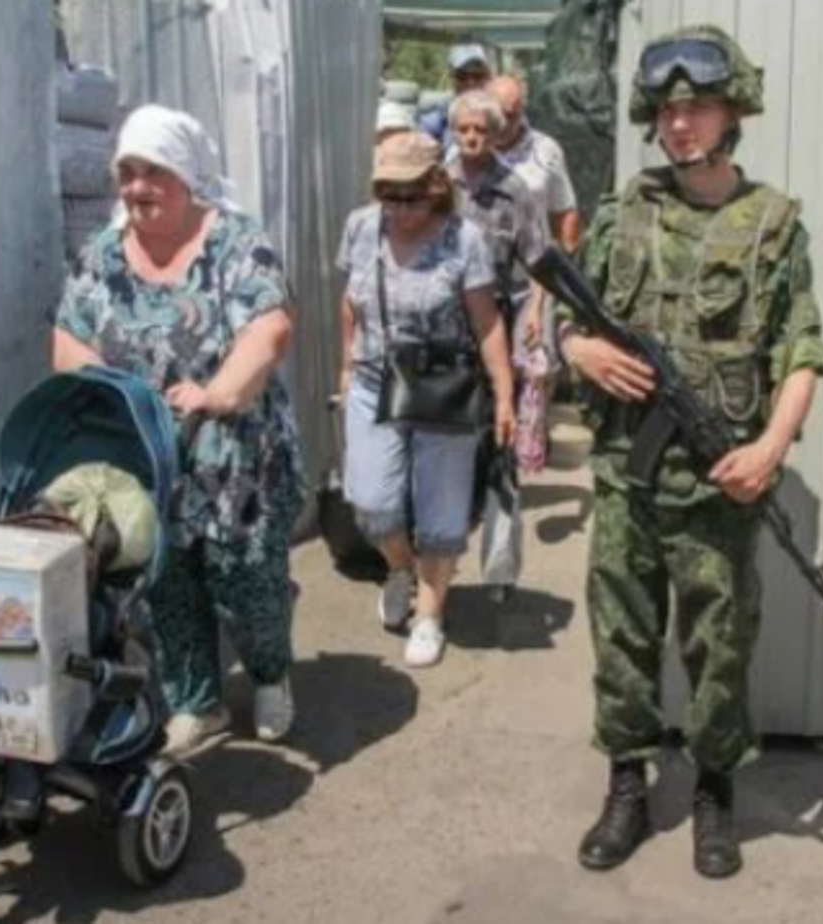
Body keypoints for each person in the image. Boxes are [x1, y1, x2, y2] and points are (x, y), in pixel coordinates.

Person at [561, 25, 823, 879]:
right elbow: (566, 315)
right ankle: (628, 785)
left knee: (719, 645)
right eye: (670, 111)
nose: (682, 126)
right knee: (623, 637)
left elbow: (803, 352)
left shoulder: (773, 226)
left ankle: (716, 789)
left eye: (700, 107)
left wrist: (771, 448)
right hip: (627, 478)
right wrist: (579, 351)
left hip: (720, 485)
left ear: (733, 114)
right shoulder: (620, 213)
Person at [53, 104, 305, 754]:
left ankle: (271, 672)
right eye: (127, 172)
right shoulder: (103, 256)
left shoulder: (237, 243)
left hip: (235, 456)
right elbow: (68, 341)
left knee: (244, 575)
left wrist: (219, 392)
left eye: (153, 172)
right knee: (163, 581)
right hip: (149, 454)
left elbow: (269, 327)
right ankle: (198, 701)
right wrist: (117, 398)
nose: (137, 188)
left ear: (188, 176)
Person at [336, 132, 516, 669]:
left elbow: (487, 326)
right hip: (374, 379)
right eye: (388, 194)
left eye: (411, 195)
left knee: (441, 509)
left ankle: (430, 613)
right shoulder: (361, 228)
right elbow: (351, 304)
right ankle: (400, 567)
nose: (399, 207)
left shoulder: (465, 241)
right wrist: (345, 367)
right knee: (371, 501)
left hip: (445, 386)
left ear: (437, 187)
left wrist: (504, 397)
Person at [446, 89, 551, 603]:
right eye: (463, 129)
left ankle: (500, 570)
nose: (471, 138)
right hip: (441, 337)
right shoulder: (434, 184)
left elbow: (542, 261)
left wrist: (535, 311)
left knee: (500, 450)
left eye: (480, 130)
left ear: (495, 133)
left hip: (498, 331)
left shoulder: (516, 190)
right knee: (440, 444)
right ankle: (429, 566)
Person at [486, 74, 581, 254]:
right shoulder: (466, 151)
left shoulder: (546, 150)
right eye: (496, 115)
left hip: (532, 266)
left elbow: (564, 211)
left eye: (510, 116)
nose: (502, 124)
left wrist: (566, 260)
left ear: (522, 110)